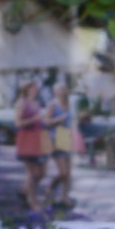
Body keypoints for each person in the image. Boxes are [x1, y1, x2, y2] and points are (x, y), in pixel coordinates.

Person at [13, 77, 48, 213]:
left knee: (42, 173)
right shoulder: (21, 103)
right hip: (26, 139)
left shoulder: (37, 103)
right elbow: (18, 123)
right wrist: (36, 118)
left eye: (36, 87)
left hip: (38, 139)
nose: (36, 89)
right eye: (33, 87)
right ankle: (31, 200)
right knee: (33, 173)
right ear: (27, 89)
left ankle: (25, 190)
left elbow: (40, 121)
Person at [44, 76, 75, 210]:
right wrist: (58, 119)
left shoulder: (69, 104)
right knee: (63, 172)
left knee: (68, 173)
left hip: (66, 137)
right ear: (55, 92)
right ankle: (50, 187)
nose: (62, 92)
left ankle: (65, 197)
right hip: (55, 137)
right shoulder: (52, 104)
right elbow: (46, 122)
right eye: (59, 90)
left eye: (63, 90)